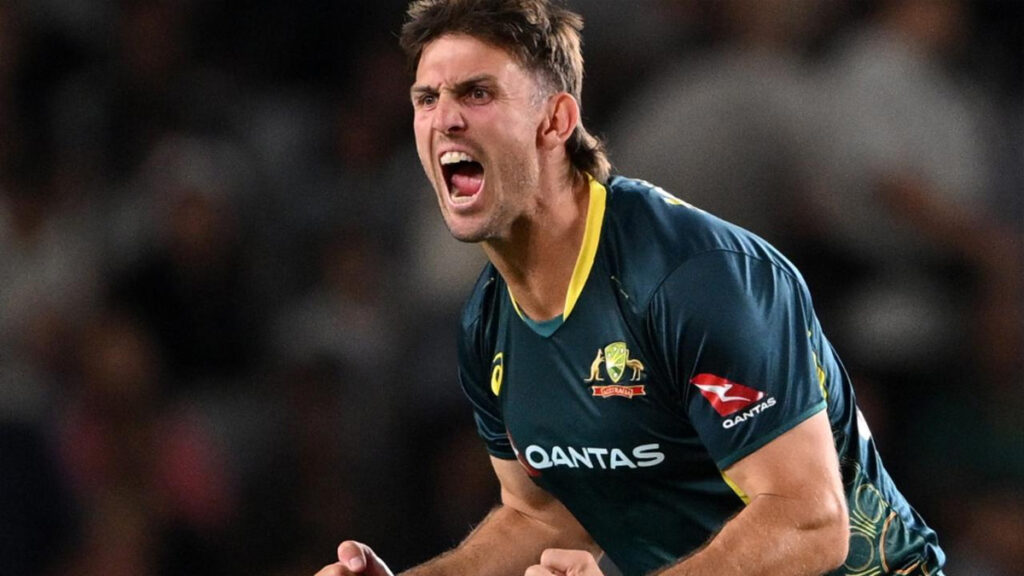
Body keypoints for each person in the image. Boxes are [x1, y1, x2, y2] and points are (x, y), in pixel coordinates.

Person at [316, 1, 946, 575]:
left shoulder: (694, 277)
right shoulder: (486, 320)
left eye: (477, 93)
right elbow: (545, 515)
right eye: (427, 98)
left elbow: (808, 521)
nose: (445, 119)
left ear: (556, 120)